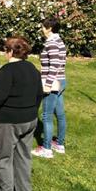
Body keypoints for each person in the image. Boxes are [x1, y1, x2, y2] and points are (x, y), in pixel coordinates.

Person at [0, 37, 43, 191]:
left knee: (4, 159)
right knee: (24, 156)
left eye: (5, 50)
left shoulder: (7, 70)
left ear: (10, 51)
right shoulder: (33, 69)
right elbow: (39, 94)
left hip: (8, 123)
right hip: (30, 120)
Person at [32, 17, 67, 159]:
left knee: (46, 115)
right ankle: (59, 144)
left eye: (43, 26)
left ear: (49, 28)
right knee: (60, 114)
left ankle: (46, 148)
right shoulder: (59, 40)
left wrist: (47, 84)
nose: (41, 29)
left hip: (52, 82)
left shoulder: (52, 43)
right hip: (61, 80)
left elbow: (55, 65)